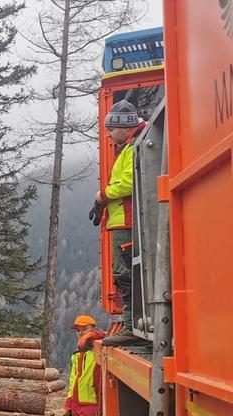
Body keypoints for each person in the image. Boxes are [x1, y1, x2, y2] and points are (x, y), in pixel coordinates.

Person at [96, 100, 146, 346]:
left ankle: (130, 326)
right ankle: (132, 324)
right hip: (122, 221)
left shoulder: (132, 147)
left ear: (125, 126)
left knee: (125, 274)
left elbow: (129, 183)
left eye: (111, 129)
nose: (108, 133)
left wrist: (102, 195)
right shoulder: (128, 146)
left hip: (127, 222)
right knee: (126, 272)